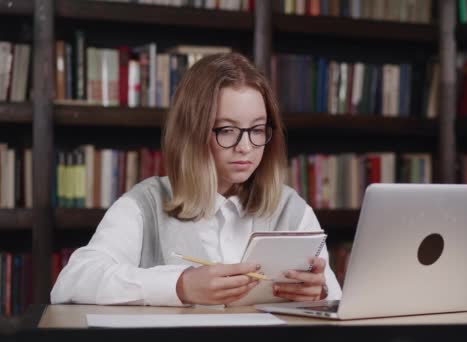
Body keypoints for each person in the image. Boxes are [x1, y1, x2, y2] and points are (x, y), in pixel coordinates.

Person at [50, 53, 342, 306]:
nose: (246, 147)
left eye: (257, 129)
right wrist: (179, 285)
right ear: (193, 132)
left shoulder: (290, 207)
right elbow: (72, 282)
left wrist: (319, 292)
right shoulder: (147, 203)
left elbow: (335, 298)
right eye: (227, 130)